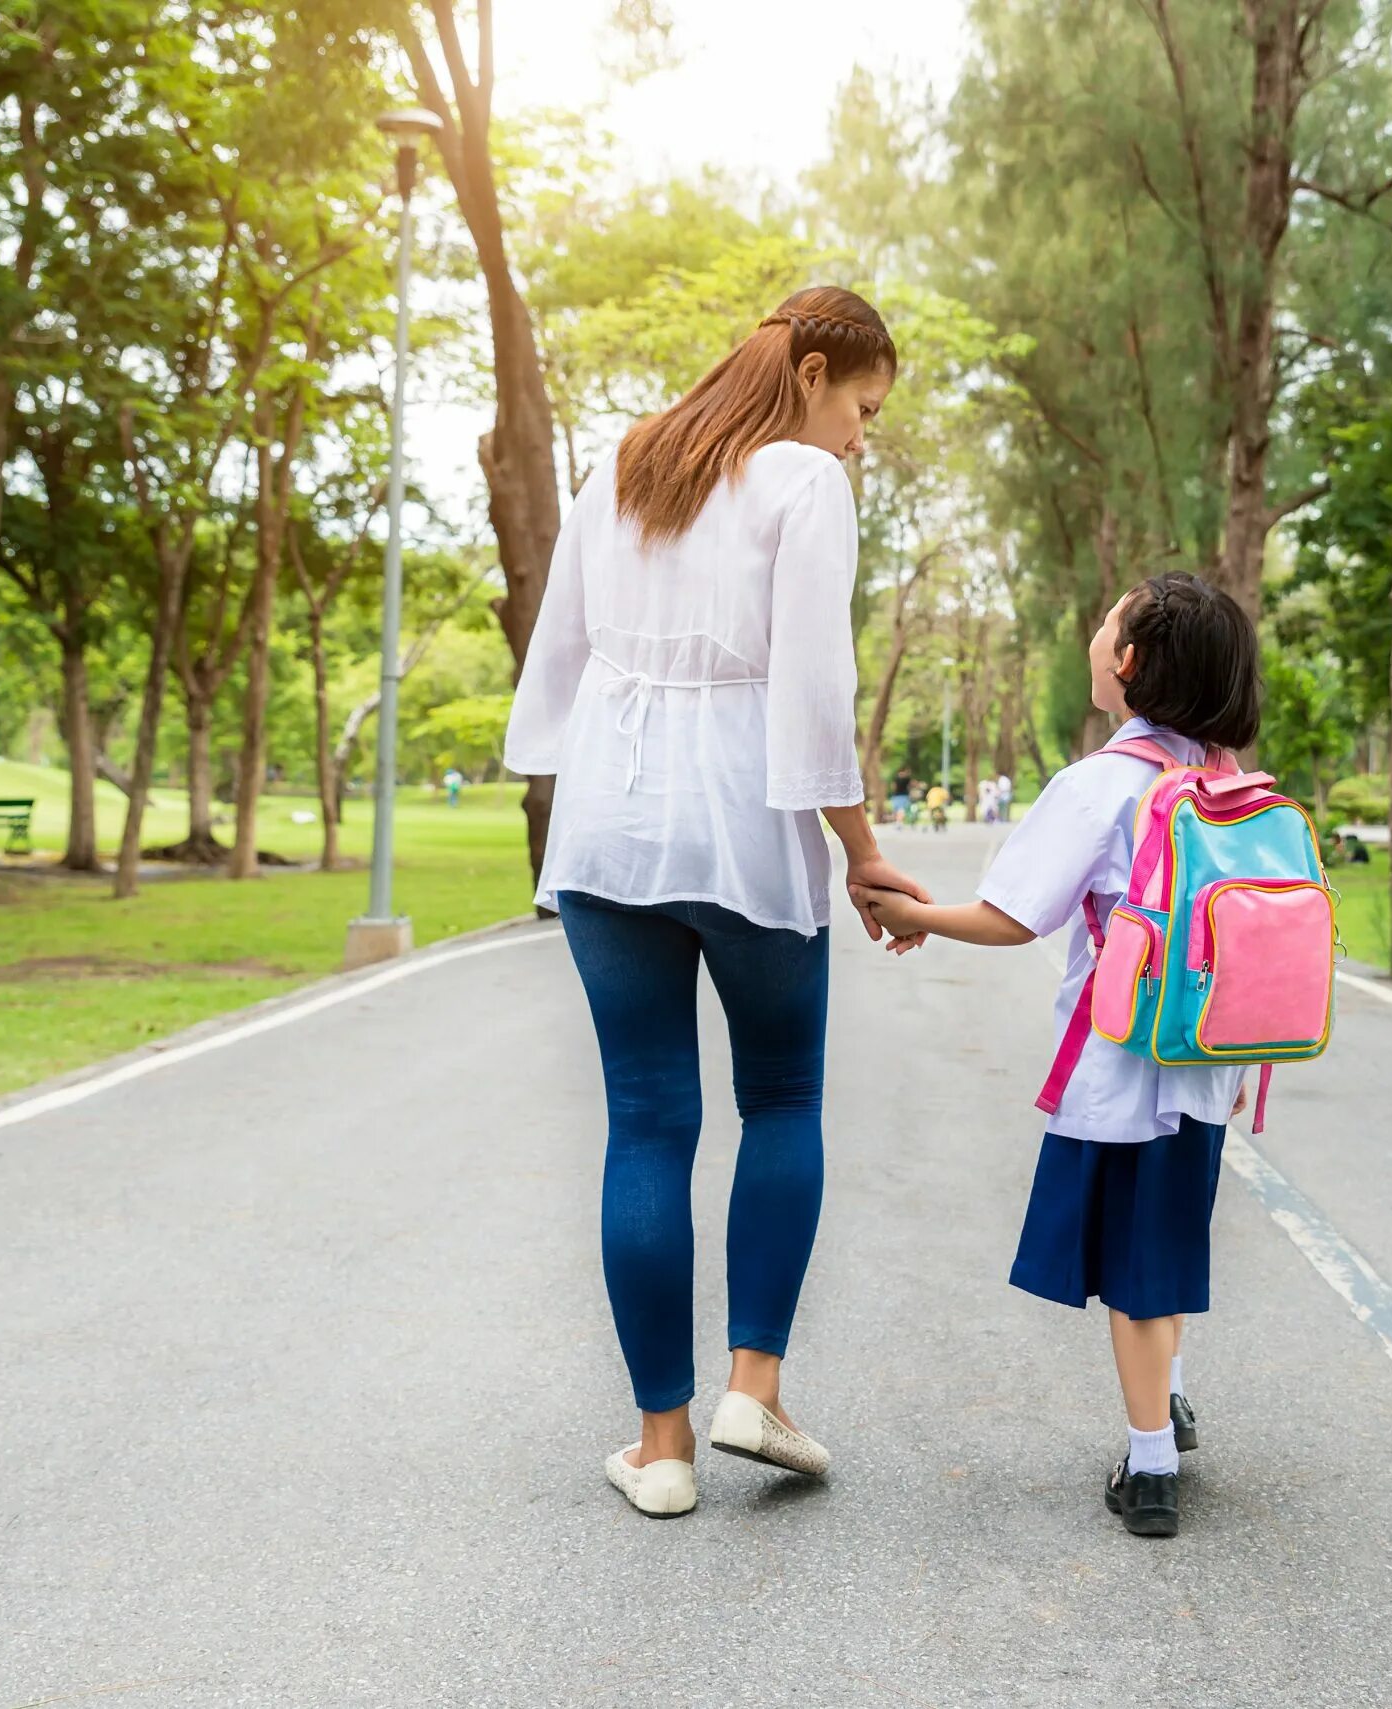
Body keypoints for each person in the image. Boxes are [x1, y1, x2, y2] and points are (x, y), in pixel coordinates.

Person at [503, 285, 931, 1519]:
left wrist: (564, 771)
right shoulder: (804, 486)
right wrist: (859, 852)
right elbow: (808, 691)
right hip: (743, 821)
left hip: (609, 822)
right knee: (781, 1096)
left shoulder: (623, 460)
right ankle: (756, 1385)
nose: (861, 437)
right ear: (808, 372)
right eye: (861, 406)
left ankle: (663, 1446)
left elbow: (563, 654)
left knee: (645, 1121)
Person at [856, 572, 1263, 1540]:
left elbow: (1010, 916)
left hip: (1121, 1070)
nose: (1094, 635)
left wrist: (910, 913)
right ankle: (1169, 1398)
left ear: (1126, 662)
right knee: (1163, 1245)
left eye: (1103, 622)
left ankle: (1151, 1462)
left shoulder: (1100, 785)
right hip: (1209, 1066)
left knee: (1131, 1272)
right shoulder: (1228, 783)